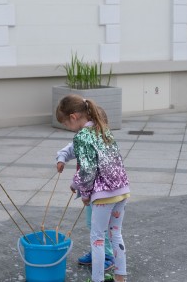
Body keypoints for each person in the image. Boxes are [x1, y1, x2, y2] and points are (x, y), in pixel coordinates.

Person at [55, 94, 129, 282]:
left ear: (73, 117)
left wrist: (83, 192)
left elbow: (88, 170)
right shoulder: (103, 130)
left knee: (97, 238)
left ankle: (97, 279)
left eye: (66, 124)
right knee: (116, 234)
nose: (68, 128)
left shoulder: (81, 136)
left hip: (103, 195)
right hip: (122, 190)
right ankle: (120, 277)